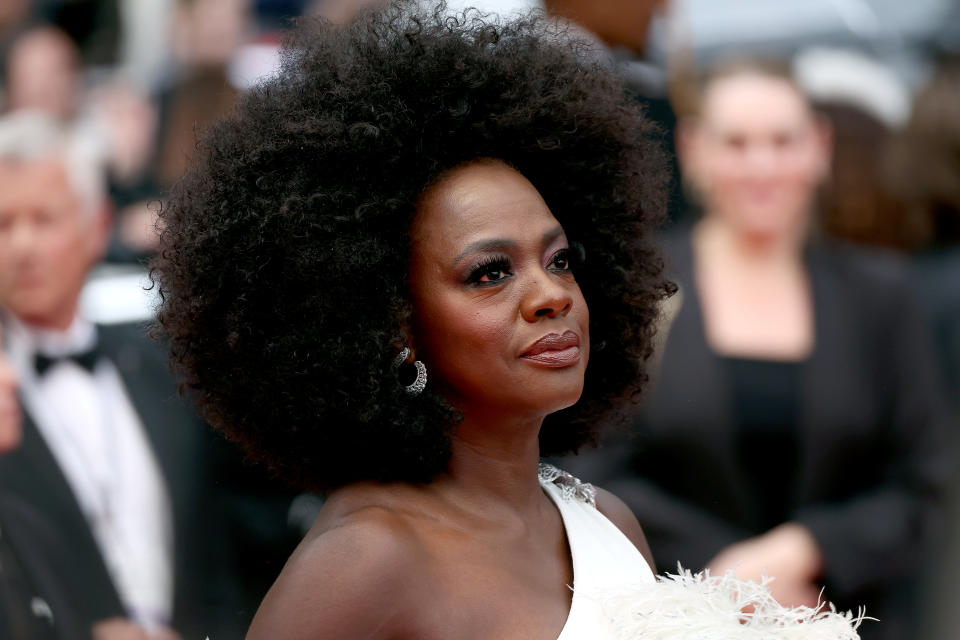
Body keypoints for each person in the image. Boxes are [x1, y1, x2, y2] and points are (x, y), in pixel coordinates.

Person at [151, 2, 673, 638]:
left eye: (561, 260)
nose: (551, 296)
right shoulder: (366, 559)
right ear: (392, 326)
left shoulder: (611, 525)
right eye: (490, 273)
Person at [562, 59, 950, 640]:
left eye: (782, 140)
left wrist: (807, 550)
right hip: (673, 616)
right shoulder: (636, 289)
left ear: (819, 147)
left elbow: (926, 478)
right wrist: (733, 574)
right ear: (694, 150)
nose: (761, 165)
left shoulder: (880, 296)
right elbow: (587, 465)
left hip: (844, 619)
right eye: (737, 143)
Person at [0, 110, 223, 639]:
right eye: (3, 224)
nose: (22, 245)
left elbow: (216, 550)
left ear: (97, 227)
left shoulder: (165, 365)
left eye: (43, 219)